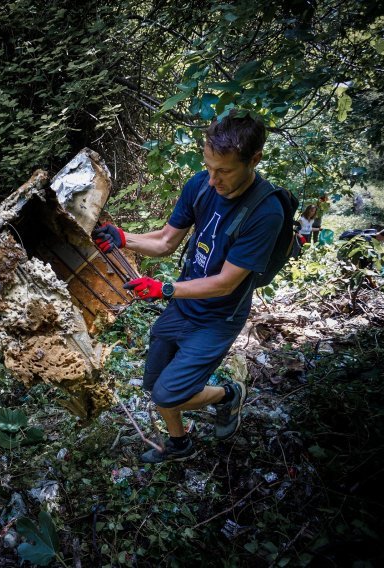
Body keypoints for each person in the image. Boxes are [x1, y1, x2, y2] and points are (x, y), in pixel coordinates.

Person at [92, 110, 283, 463]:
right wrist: (124, 238)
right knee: (155, 384)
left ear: (254, 159)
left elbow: (225, 284)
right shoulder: (200, 185)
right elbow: (166, 241)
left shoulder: (265, 212)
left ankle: (228, 394)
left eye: (223, 171)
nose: (213, 180)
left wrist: (164, 289)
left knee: (168, 394)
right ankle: (180, 445)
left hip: (217, 318)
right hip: (184, 305)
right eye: (209, 167)